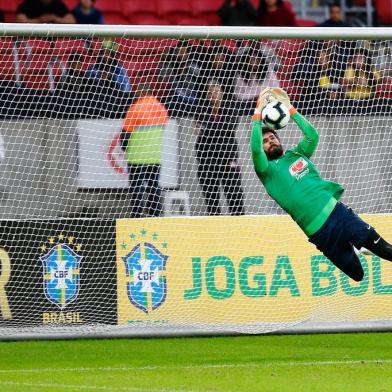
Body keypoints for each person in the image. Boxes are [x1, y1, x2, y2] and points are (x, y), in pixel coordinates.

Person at [250, 87, 392, 282]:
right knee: (357, 275)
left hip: (339, 214)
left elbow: (312, 136)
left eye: (272, 137)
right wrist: (257, 114)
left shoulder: (296, 154)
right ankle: (356, 247)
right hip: (320, 234)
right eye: (265, 141)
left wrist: (290, 109)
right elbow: (256, 151)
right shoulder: (266, 172)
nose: (270, 141)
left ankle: (362, 243)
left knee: (385, 249)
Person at [194, 80, 245, 216]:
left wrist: (206, 129)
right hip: (206, 161)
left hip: (228, 159)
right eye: (210, 92)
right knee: (211, 202)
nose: (213, 94)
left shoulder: (231, 108)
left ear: (221, 92)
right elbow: (219, 128)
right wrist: (213, 128)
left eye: (216, 91)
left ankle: (241, 228)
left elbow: (228, 128)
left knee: (235, 197)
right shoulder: (201, 109)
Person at [120, 85, 168, 218]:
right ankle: (155, 215)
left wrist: (125, 149)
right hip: (154, 156)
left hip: (136, 157)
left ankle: (137, 216)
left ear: (141, 92)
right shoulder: (161, 108)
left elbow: (125, 134)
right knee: (154, 187)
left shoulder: (135, 108)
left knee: (136, 188)